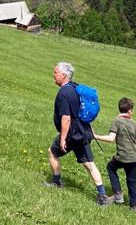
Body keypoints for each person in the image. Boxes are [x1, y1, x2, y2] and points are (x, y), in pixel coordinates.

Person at [46, 61, 110, 206]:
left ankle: (56, 182)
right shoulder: (76, 88)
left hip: (72, 133)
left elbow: (66, 117)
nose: (54, 75)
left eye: (55, 72)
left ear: (63, 75)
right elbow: (83, 110)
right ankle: (102, 195)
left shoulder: (64, 92)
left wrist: (63, 139)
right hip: (83, 131)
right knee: (89, 164)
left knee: (52, 152)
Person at [93, 97, 136, 211]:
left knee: (111, 167)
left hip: (122, 157)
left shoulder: (117, 121)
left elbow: (110, 139)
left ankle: (118, 193)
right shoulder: (135, 124)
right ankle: (134, 206)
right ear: (129, 111)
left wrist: (95, 136)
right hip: (134, 158)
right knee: (132, 180)